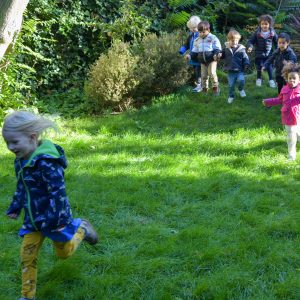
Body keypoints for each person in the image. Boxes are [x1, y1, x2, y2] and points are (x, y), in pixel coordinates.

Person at [2, 111, 99, 300]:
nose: (10, 147)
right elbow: (22, 186)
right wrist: (16, 207)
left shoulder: (48, 163)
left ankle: (82, 230)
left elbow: (58, 193)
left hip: (55, 219)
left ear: (32, 137)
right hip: (33, 221)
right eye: (7, 143)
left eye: (14, 142)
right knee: (27, 255)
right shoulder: (21, 160)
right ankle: (27, 295)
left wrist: (54, 219)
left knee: (64, 254)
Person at [263, 62, 300, 161]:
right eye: (290, 78)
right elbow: (279, 100)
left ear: (299, 79)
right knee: (290, 136)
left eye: (294, 78)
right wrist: (268, 102)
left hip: (298, 116)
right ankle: (291, 156)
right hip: (288, 117)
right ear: (287, 79)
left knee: (297, 133)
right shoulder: (284, 89)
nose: (292, 80)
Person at [217, 29, 250, 104]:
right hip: (230, 71)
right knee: (231, 85)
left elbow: (245, 58)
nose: (234, 42)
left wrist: (246, 64)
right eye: (232, 40)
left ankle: (240, 89)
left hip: (239, 70)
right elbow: (221, 55)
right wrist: (219, 54)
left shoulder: (241, 49)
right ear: (228, 40)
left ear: (238, 40)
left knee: (241, 80)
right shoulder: (226, 49)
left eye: (236, 40)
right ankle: (231, 96)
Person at [191, 20, 222, 96]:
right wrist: (191, 55)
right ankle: (205, 89)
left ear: (208, 30)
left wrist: (216, 53)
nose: (201, 34)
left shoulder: (213, 38)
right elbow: (194, 50)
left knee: (211, 73)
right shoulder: (197, 40)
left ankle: (215, 87)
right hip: (202, 61)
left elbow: (217, 47)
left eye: (203, 32)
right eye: (200, 32)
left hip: (212, 60)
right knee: (204, 75)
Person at [247, 14, 278, 88]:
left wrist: (278, 50)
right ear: (260, 24)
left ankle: (271, 80)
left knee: (269, 66)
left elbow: (277, 42)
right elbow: (250, 41)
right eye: (262, 24)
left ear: (270, 24)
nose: (264, 26)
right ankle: (259, 79)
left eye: (266, 24)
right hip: (259, 53)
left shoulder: (272, 33)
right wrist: (250, 47)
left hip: (269, 53)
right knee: (260, 66)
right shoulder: (257, 33)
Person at [179, 15, 202, 92]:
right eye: (191, 28)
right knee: (195, 70)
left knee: (199, 70)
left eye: (194, 28)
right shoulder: (191, 35)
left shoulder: (201, 36)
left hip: (199, 57)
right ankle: (199, 83)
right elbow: (187, 44)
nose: (192, 29)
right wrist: (182, 50)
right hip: (193, 57)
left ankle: (200, 85)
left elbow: (199, 47)